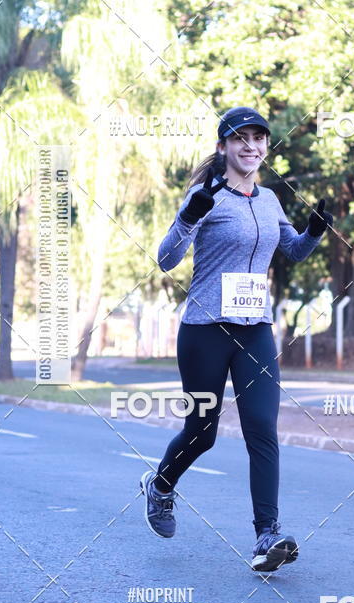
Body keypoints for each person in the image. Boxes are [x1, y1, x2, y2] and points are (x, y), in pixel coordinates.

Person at [139, 106, 333, 572]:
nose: (251, 147)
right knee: (201, 434)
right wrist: (189, 216)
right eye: (241, 139)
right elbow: (166, 259)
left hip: (255, 331)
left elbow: (292, 251)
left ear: (267, 146)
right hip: (205, 331)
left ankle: (267, 535)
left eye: (259, 139)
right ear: (224, 146)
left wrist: (314, 232)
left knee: (262, 429)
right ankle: (161, 486)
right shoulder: (205, 194)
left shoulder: (267, 200)